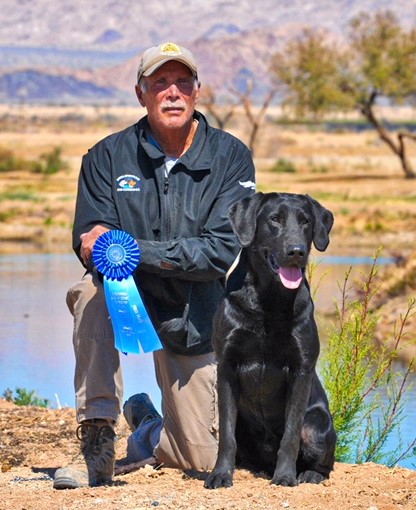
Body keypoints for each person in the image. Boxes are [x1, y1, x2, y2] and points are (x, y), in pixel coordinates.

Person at [53, 41, 256, 490]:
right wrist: (95, 244)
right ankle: (98, 441)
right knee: (90, 292)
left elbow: (221, 250)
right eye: (160, 83)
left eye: (183, 83)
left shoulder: (231, 157)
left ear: (198, 92)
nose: (173, 93)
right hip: (124, 299)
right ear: (140, 93)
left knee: (201, 459)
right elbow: (90, 237)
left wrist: (136, 250)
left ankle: (145, 426)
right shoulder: (105, 157)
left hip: (196, 312)